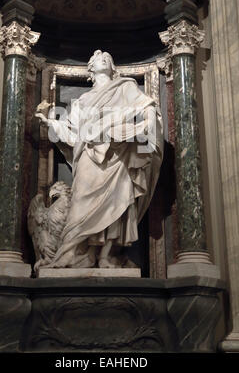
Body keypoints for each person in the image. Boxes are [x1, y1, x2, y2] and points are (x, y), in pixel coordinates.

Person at [36, 50, 163, 268]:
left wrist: (147, 120)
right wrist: (52, 125)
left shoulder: (126, 87)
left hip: (118, 155)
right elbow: (73, 134)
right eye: (96, 57)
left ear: (113, 67)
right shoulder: (82, 101)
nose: (101, 56)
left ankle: (105, 255)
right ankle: (70, 252)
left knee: (117, 203)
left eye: (106, 57)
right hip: (88, 155)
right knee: (80, 203)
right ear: (90, 69)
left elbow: (147, 107)